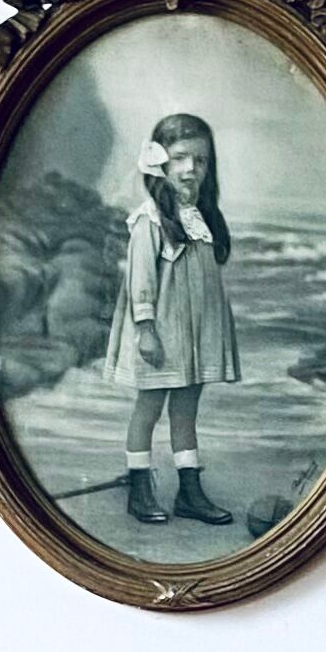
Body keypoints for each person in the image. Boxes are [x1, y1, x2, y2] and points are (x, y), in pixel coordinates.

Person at [113, 113, 240, 525]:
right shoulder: (149, 221)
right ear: (160, 162)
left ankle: (189, 491)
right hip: (162, 335)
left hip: (194, 338)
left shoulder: (200, 218)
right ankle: (139, 488)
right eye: (181, 158)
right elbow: (141, 282)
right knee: (148, 408)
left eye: (200, 160)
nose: (190, 169)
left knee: (186, 412)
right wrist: (146, 329)